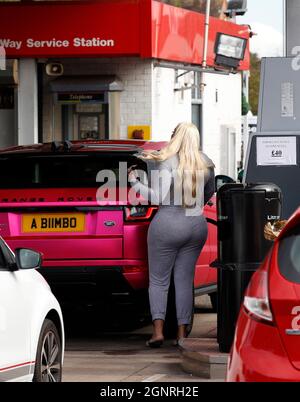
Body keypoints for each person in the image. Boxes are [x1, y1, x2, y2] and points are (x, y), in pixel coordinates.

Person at [128, 122, 215, 347]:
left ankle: (157, 332)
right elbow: (209, 193)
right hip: (196, 225)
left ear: (176, 137)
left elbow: (157, 197)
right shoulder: (205, 162)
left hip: (167, 223)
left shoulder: (167, 161)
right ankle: (182, 335)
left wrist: (134, 183)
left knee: (158, 280)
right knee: (185, 280)